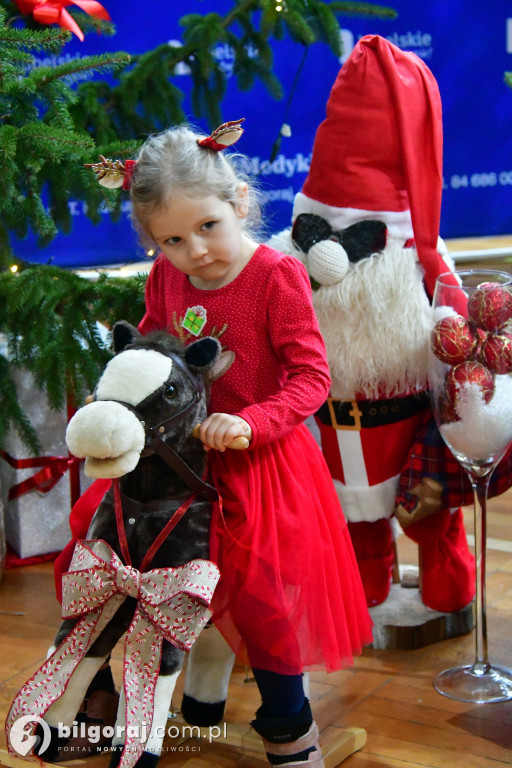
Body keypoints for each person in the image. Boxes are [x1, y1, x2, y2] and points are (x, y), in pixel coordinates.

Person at [125, 120, 373, 766]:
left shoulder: (275, 276)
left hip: (263, 467)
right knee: (170, 580)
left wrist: (251, 421)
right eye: (172, 240)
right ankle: (184, 705)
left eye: (207, 226)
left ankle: (290, 728)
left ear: (238, 201)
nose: (195, 251)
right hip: (185, 466)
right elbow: (155, 352)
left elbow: (311, 377)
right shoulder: (166, 278)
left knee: (264, 599)